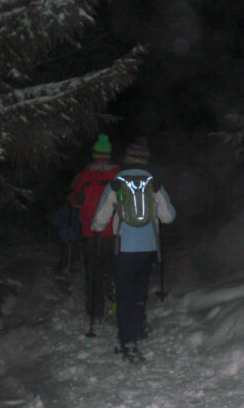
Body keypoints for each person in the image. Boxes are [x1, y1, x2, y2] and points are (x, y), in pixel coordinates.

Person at [91, 137, 175, 360]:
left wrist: (95, 228)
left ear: (126, 160)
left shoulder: (116, 182)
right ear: (145, 160)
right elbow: (168, 217)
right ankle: (138, 329)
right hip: (148, 248)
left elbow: (101, 217)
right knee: (140, 291)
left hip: (124, 247)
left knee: (125, 293)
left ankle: (127, 340)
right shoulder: (153, 182)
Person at [69, 134, 120, 320]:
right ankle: (114, 302)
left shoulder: (84, 174)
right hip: (113, 232)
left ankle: (95, 310)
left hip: (90, 232)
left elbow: (75, 201)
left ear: (94, 153)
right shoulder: (117, 173)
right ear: (108, 154)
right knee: (113, 269)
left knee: (93, 271)